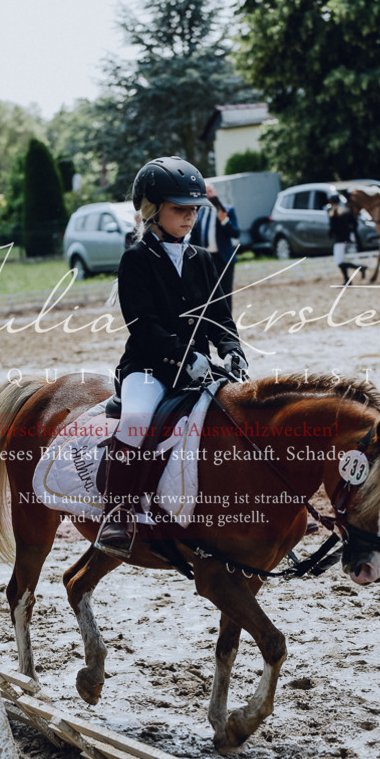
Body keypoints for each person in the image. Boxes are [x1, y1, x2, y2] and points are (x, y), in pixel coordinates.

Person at [96, 155, 248, 558]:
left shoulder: (205, 258)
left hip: (199, 368)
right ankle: (118, 512)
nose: (189, 217)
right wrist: (186, 358)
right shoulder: (136, 260)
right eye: (179, 209)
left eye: (194, 210)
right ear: (152, 210)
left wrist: (232, 352)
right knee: (136, 420)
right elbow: (143, 326)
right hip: (149, 368)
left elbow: (220, 316)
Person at [189, 182, 240, 310]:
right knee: (207, 293)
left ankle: (227, 326)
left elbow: (235, 233)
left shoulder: (227, 210)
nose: (208, 195)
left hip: (223, 259)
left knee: (225, 293)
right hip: (204, 259)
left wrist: (224, 220)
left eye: (210, 191)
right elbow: (194, 238)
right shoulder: (198, 213)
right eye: (205, 192)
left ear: (215, 193)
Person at [326, 191, 366, 283]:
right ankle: (347, 279)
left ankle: (359, 269)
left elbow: (333, 228)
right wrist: (350, 232)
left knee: (339, 262)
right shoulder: (346, 212)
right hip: (347, 239)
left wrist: (330, 234)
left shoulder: (333, 213)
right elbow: (355, 223)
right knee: (341, 261)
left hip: (339, 240)